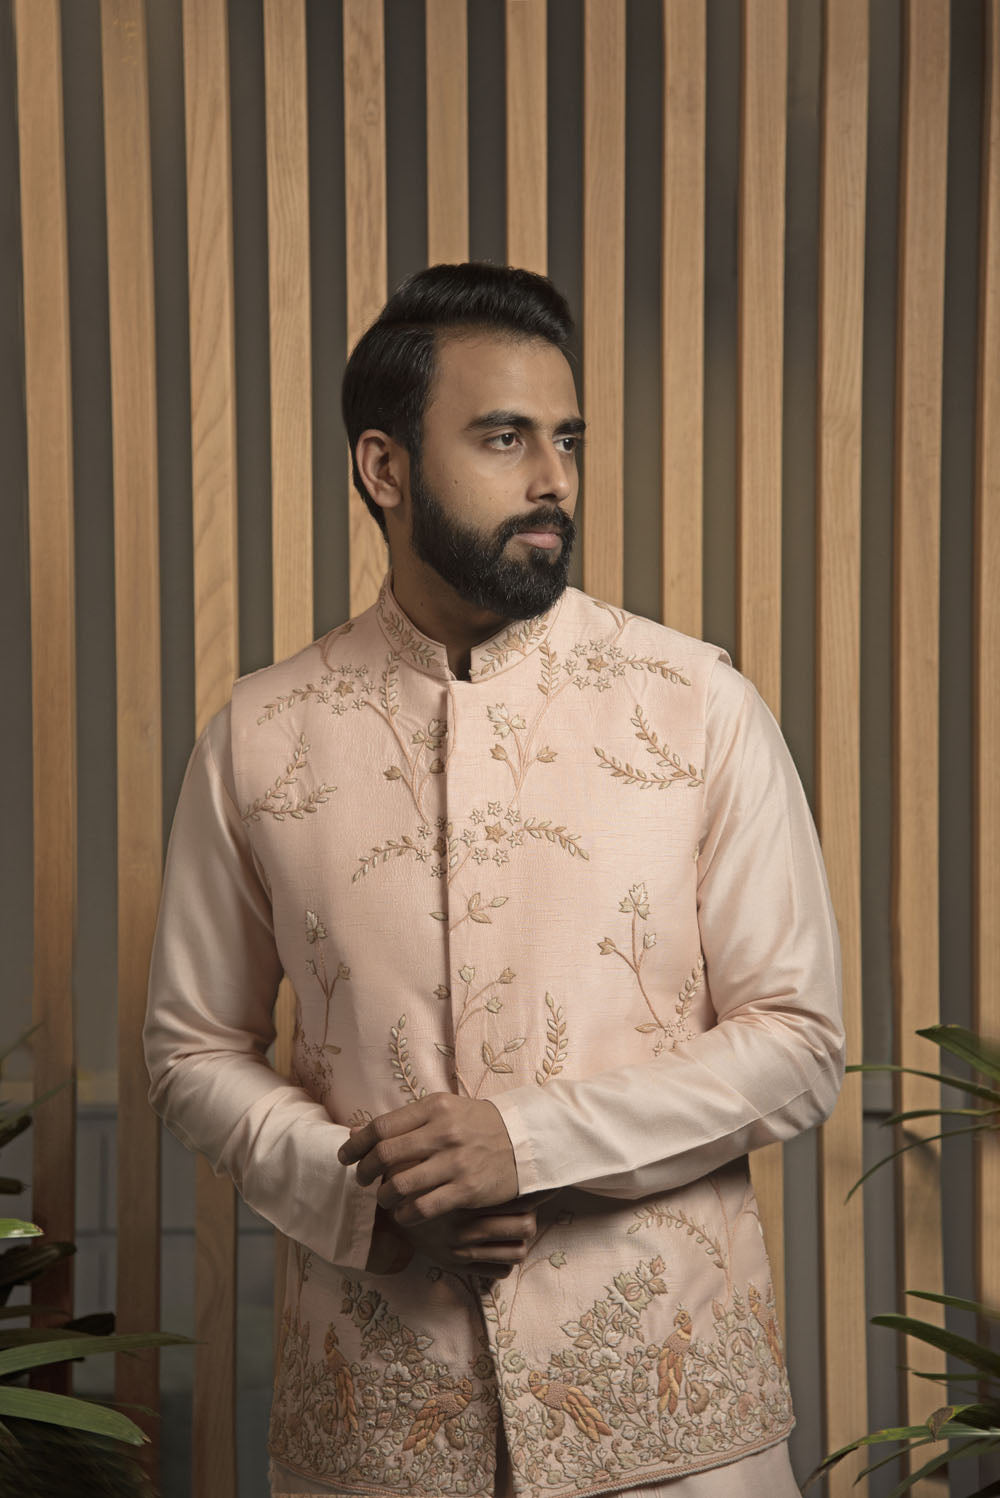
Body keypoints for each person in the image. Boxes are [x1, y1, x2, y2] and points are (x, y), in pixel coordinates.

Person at [144, 263, 843, 1498]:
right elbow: (191, 1047)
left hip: (675, 1426)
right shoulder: (259, 733)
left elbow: (796, 1041)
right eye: (504, 437)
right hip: (373, 1432)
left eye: (566, 439)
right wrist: (369, 1197)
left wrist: (525, 1144)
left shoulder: (697, 706)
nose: (552, 479)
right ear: (384, 468)